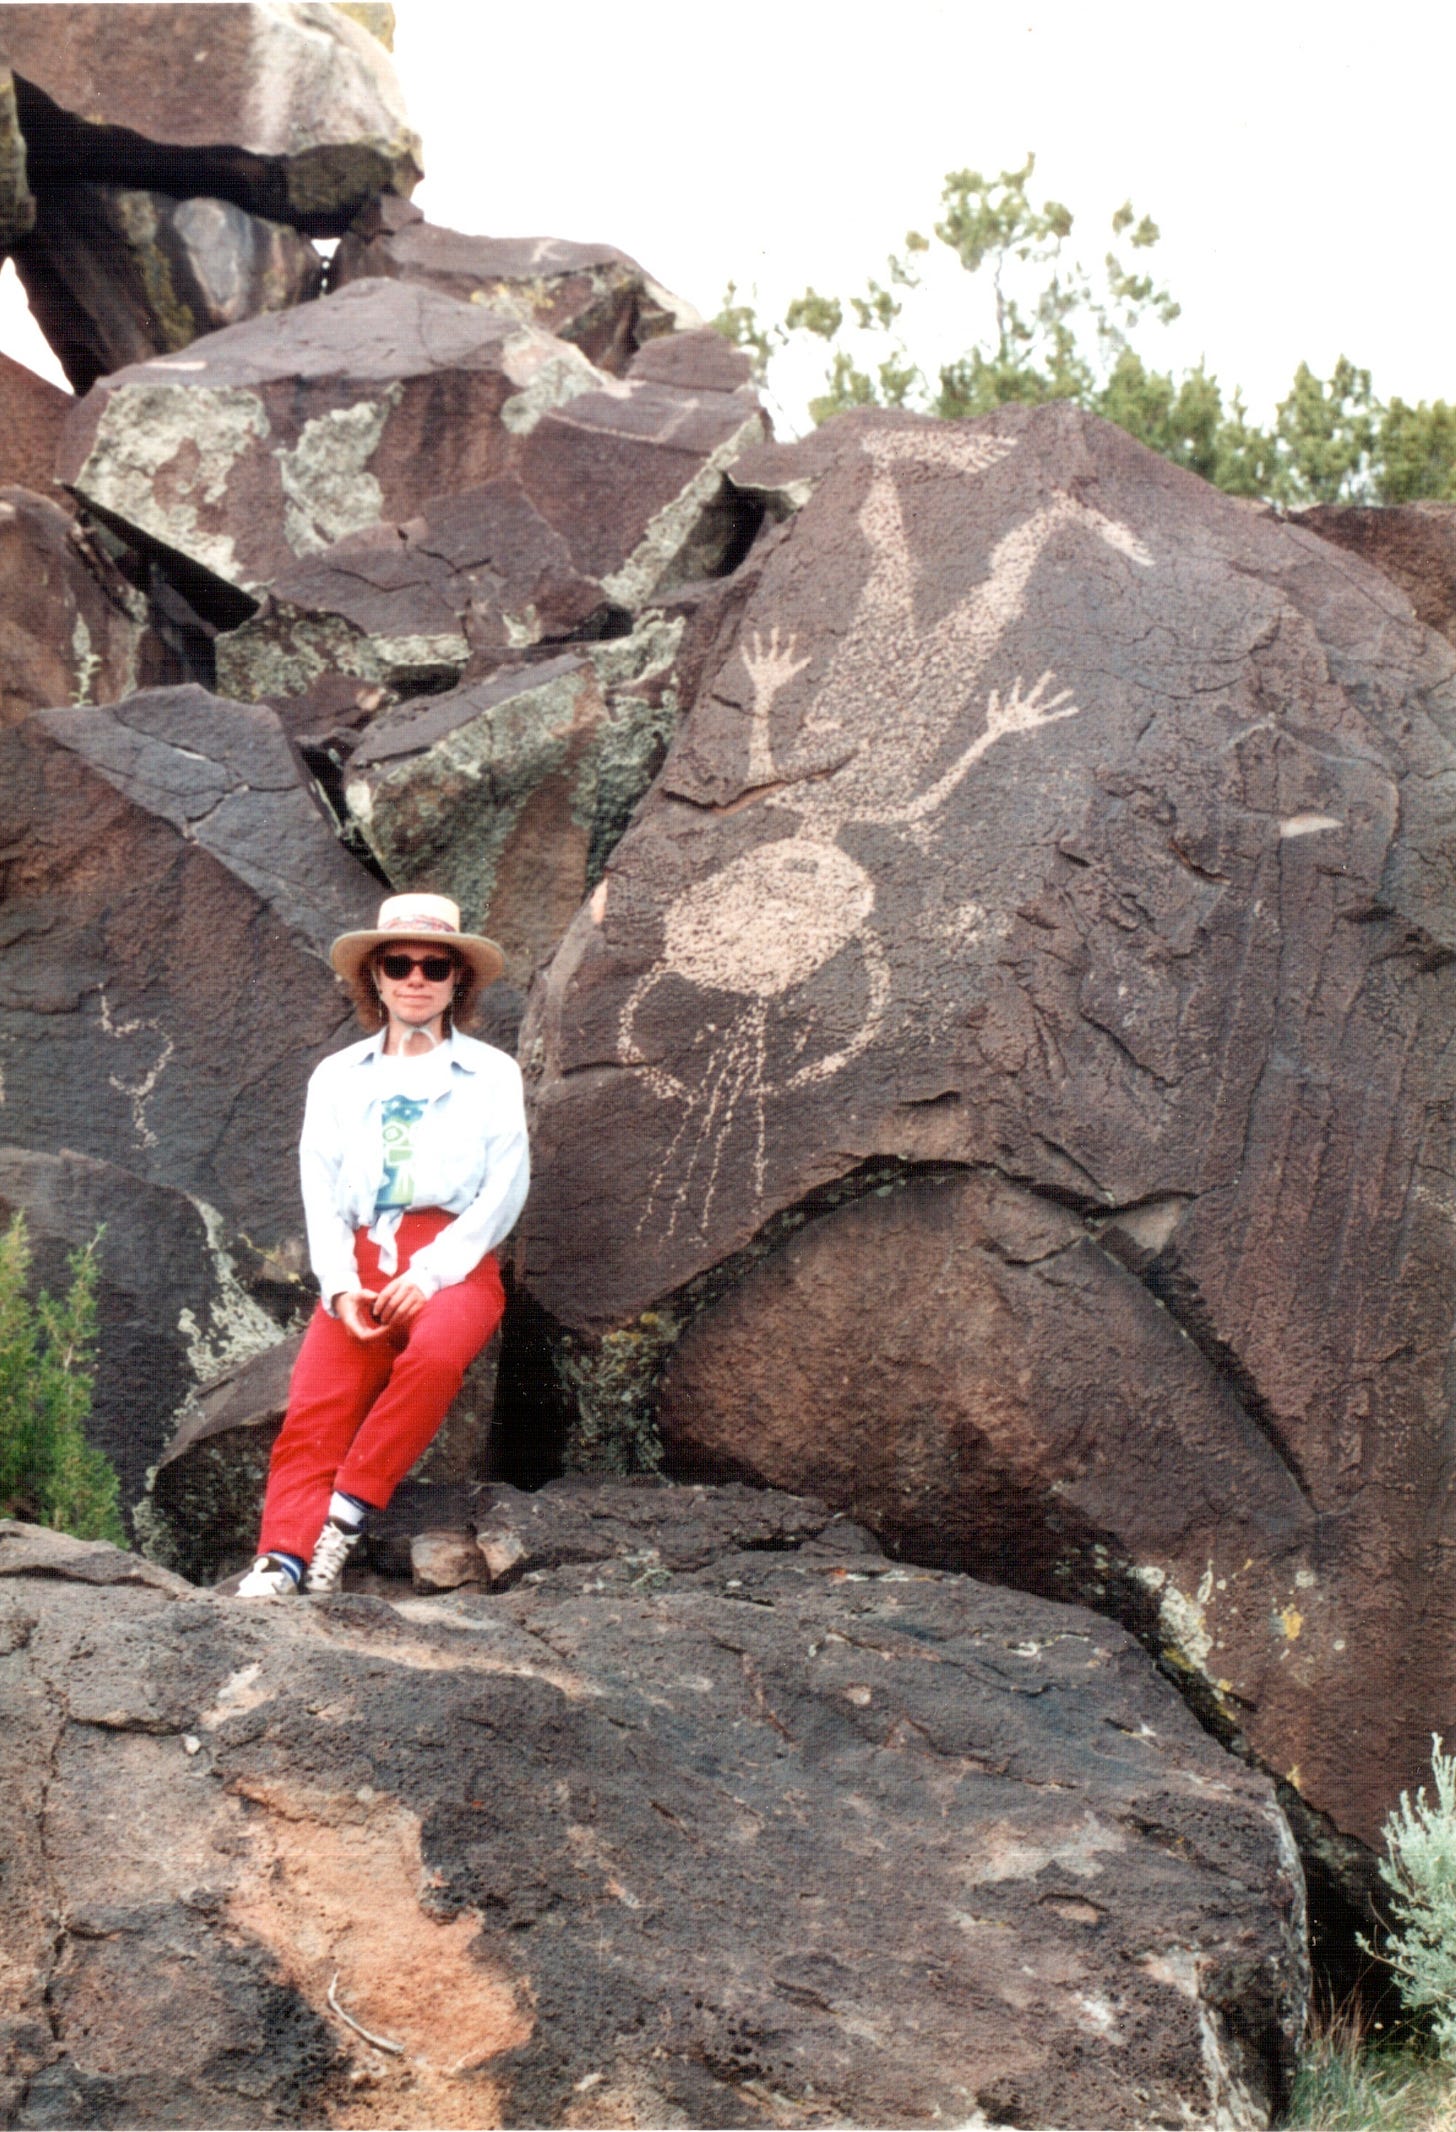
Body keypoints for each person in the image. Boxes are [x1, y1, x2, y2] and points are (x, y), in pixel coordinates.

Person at [235, 892, 529, 1598]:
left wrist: (430, 1276)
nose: (417, 978)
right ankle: (282, 1557)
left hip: (455, 1257)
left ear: (459, 980)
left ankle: (345, 1514)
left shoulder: (492, 1074)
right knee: (317, 1404)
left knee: (434, 1355)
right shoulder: (337, 1078)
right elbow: (321, 1190)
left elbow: (507, 1188)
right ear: (376, 976)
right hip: (364, 1257)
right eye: (399, 963)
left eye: (436, 965)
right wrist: (338, 1282)